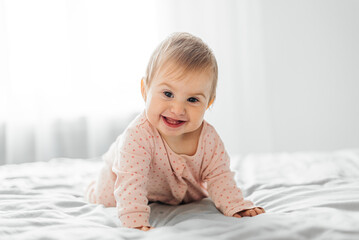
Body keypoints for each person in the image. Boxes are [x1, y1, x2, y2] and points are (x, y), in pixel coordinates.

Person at [84, 32, 265, 231]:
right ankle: (90, 187)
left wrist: (235, 206)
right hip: (120, 177)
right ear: (145, 90)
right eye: (168, 94)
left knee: (197, 195)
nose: (178, 110)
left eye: (193, 100)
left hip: (176, 194)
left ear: (208, 103)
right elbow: (130, 184)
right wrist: (135, 222)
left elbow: (220, 176)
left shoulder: (209, 139)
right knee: (105, 197)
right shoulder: (137, 136)